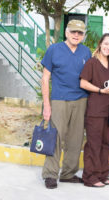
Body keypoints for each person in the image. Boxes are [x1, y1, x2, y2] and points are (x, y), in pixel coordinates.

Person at [40, 20, 91, 189]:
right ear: (66, 33)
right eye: (73, 32)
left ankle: (68, 174)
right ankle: (50, 174)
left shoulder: (86, 52)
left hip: (81, 99)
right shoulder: (54, 50)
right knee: (55, 138)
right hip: (59, 99)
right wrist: (46, 105)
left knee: (75, 139)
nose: (76, 35)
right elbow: (45, 78)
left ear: (83, 36)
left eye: (80, 33)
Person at [80, 33, 109, 187]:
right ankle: (90, 177)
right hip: (96, 109)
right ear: (100, 44)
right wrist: (100, 90)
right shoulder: (92, 63)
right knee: (94, 143)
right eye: (105, 44)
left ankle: (103, 174)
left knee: (106, 143)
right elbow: (83, 84)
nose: (107, 47)